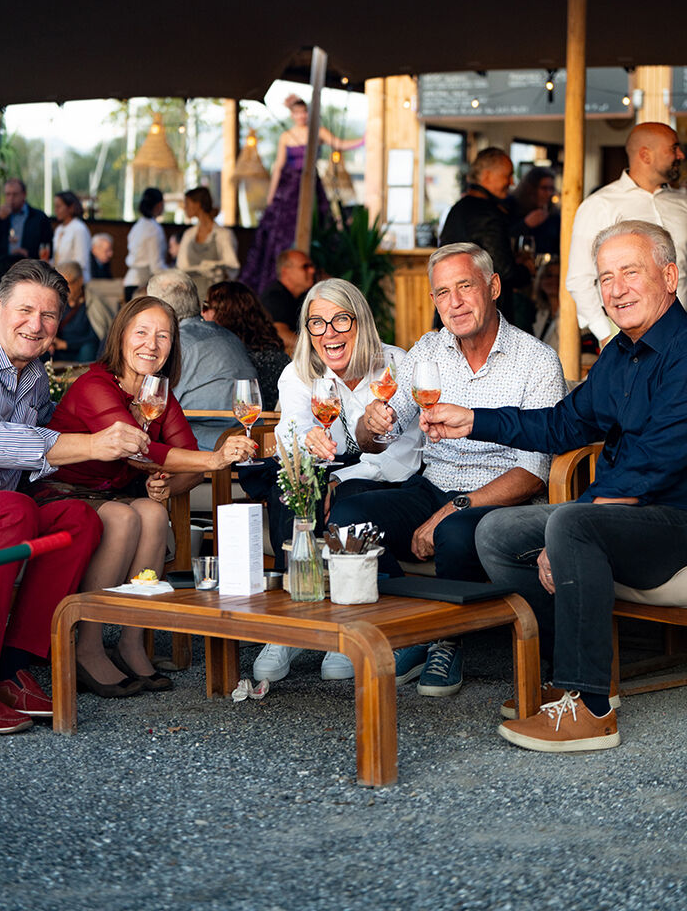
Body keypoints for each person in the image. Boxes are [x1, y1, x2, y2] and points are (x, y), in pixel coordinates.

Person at [421, 220, 687, 753]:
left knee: (569, 521)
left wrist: (566, 528)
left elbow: (656, 466)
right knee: (495, 532)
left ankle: (590, 709)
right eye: (605, 278)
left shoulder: (683, 353)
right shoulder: (619, 354)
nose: (615, 289)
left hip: (672, 521)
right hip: (619, 517)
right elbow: (561, 426)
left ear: (670, 276)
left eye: (630, 273)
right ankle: (563, 670)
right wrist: (472, 418)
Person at [331, 243, 565, 697]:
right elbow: (375, 434)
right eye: (442, 293)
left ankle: (446, 638)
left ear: (493, 287)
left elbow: (534, 472)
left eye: (465, 287)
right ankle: (414, 627)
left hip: (499, 499)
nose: (454, 303)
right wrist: (372, 423)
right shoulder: (428, 349)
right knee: (348, 519)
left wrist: (451, 511)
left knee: (455, 533)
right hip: (432, 484)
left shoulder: (536, 360)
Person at [0, 258, 149, 735]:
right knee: (14, 509)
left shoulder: (30, 372)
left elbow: (52, 436)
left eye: (48, 316)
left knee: (78, 520)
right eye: (25, 310)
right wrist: (91, 443)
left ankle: (12, 663)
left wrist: (127, 454)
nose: (36, 324)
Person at [42, 296, 257, 696]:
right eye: (141, 333)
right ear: (121, 336)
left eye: (163, 336)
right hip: (62, 491)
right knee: (126, 517)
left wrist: (167, 485)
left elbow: (187, 467)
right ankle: (87, 646)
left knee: (153, 513)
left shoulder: (158, 393)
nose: (151, 345)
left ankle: (131, 640)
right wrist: (214, 458)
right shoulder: (95, 384)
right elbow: (137, 449)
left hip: (113, 493)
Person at [251, 277, 422, 684]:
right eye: (317, 323)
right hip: (331, 477)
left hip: (387, 482)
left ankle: (343, 628)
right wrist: (307, 443)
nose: (329, 333)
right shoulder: (299, 374)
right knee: (290, 487)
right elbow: (291, 436)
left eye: (340, 320)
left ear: (360, 322)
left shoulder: (393, 366)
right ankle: (293, 621)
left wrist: (339, 478)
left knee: (348, 494)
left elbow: (402, 457)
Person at [566, 122, 687, 348]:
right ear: (645, 154)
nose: (680, 154)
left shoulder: (683, 203)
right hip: (630, 338)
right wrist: (605, 335)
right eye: (673, 148)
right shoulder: (600, 205)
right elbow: (579, 278)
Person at [240, 93, 363, 294]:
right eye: (297, 113)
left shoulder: (317, 132)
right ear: (292, 115)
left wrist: (363, 140)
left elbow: (339, 144)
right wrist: (271, 197)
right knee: (280, 232)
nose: (301, 116)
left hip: (309, 185)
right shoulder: (286, 136)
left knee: (318, 224)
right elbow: (278, 166)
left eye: (304, 112)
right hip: (288, 188)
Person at [146, 270, 257, 448]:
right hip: (252, 434)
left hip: (211, 437)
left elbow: (155, 404)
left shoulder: (174, 344)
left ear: (158, 308)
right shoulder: (229, 335)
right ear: (196, 301)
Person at [438, 148, 531, 325]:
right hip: (483, 318)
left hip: (451, 312)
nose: (512, 182)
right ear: (487, 176)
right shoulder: (488, 213)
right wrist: (527, 270)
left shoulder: (457, 209)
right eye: (508, 175)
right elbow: (505, 271)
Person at [203, 280, 290, 411]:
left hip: (248, 427)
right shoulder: (275, 354)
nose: (202, 313)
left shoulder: (230, 361)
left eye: (205, 306)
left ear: (223, 315)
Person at [169, 186, 240, 302]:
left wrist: (214, 266)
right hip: (191, 297)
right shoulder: (189, 235)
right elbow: (181, 266)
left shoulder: (223, 234)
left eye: (187, 203)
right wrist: (200, 269)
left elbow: (233, 266)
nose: (185, 207)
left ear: (198, 204)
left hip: (216, 298)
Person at [0, 178, 53, 280]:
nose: (11, 198)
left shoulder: (38, 217)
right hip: (2, 272)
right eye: (8, 194)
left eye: (15, 194)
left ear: (24, 194)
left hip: (29, 272)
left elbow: (48, 247)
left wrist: (29, 254)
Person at [52, 262, 113, 363]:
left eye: (67, 284)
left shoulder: (93, 302)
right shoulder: (56, 302)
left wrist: (67, 344)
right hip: (58, 351)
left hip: (83, 351)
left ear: (80, 281)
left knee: (88, 349)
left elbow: (96, 337)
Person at [260, 249, 316, 354]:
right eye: (305, 267)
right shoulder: (275, 296)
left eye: (311, 266)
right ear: (286, 272)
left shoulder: (300, 297)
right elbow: (280, 334)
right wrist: (315, 347)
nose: (312, 271)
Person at [123, 187, 167, 301]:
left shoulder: (137, 226)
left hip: (129, 281)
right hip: (142, 285)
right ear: (159, 205)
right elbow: (156, 265)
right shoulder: (154, 229)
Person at [509, 166, 560, 256]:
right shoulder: (512, 208)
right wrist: (525, 224)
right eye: (544, 188)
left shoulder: (554, 215)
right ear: (531, 189)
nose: (548, 193)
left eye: (551, 189)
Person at [52, 191, 92, 282]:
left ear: (70, 208)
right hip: (60, 280)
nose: (56, 210)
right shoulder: (59, 229)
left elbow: (81, 262)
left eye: (59, 206)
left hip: (76, 281)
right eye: (55, 207)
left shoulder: (79, 228)